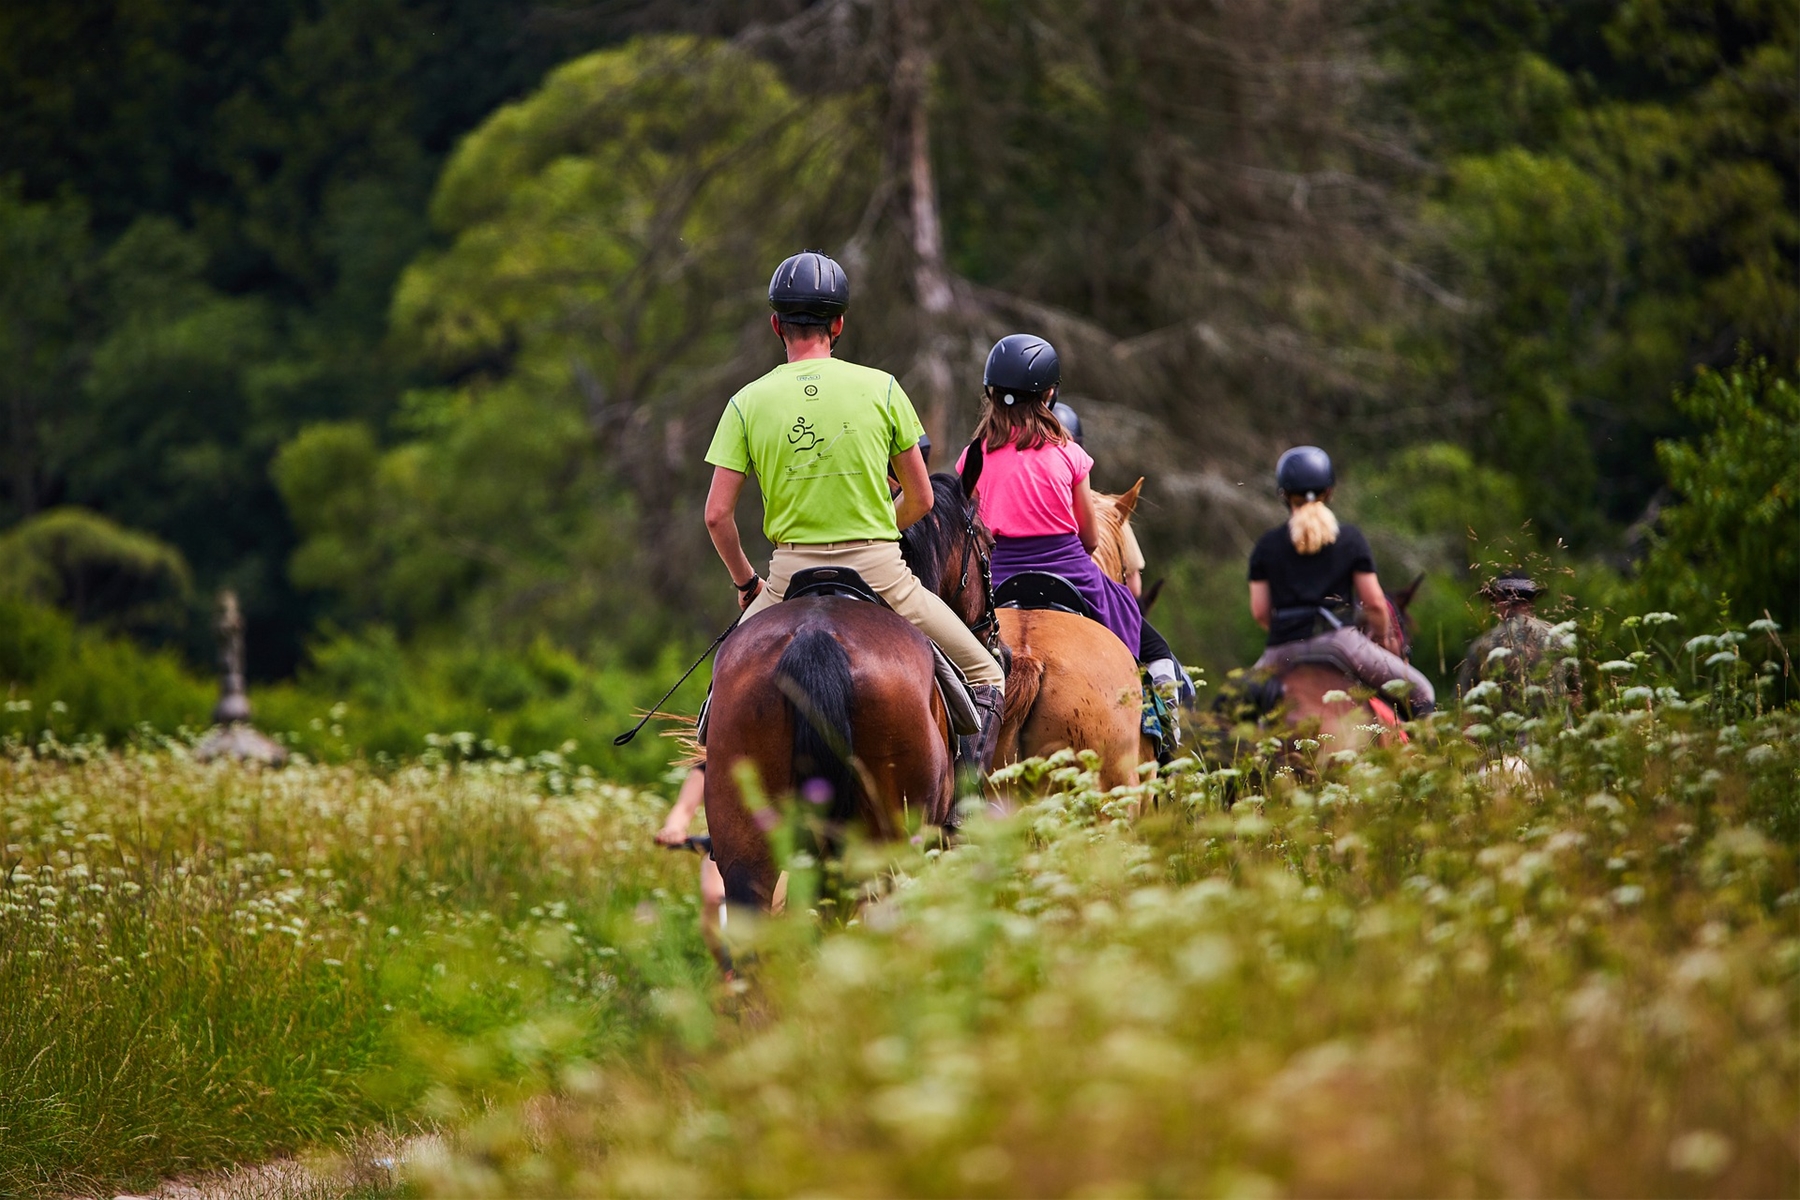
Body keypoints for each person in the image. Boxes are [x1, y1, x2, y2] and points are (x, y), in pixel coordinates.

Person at [703, 250, 1005, 761]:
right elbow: (923, 498)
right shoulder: (882, 388)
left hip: (787, 573)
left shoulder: (746, 402)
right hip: (879, 569)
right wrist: (875, 529)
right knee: (987, 672)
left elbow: (716, 515)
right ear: (838, 323)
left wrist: (745, 582)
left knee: (720, 697)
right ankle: (965, 809)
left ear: (776, 324)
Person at [1247, 446, 1435, 714]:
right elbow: (1374, 603)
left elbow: (1260, 612)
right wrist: (1380, 638)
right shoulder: (1349, 539)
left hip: (1281, 651)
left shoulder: (1266, 545)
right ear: (1329, 492)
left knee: (1230, 711)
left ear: (1284, 495)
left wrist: (1289, 634)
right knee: (1420, 691)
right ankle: (1428, 754)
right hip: (1341, 644)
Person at [1049, 398, 1193, 705]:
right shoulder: (1109, 511)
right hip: (1090, 595)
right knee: (1163, 661)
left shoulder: (1024, 494)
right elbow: (1133, 586)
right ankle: (1169, 733)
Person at [1456, 571, 1579, 708]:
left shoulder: (1484, 644)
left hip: (1504, 728)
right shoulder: (1558, 637)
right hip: (1554, 727)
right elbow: (1577, 696)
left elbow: (1465, 704)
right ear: (1532, 601)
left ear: (1498, 601)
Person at [654, 763, 726, 960]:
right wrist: (674, 829)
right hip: (722, 847)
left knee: (774, 909)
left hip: (773, 846)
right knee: (714, 897)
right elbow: (685, 807)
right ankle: (727, 972)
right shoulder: (709, 763)